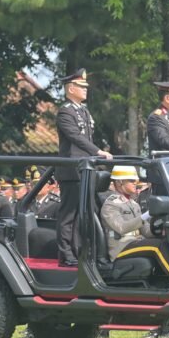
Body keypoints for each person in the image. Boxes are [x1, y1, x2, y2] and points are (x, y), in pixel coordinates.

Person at [101, 166, 169, 338]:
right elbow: (121, 227)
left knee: (162, 242)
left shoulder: (133, 203)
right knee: (156, 247)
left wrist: (161, 227)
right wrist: (146, 216)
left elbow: (146, 232)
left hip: (135, 243)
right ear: (119, 183)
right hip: (121, 248)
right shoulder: (111, 204)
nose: (136, 184)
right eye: (131, 181)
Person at [55, 68, 113, 268]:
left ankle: (83, 251)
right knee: (69, 214)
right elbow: (75, 137)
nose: (85, 90)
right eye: (81, 87)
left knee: (85, 212)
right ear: (71, 88)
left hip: (86, 169)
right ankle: (66, 253)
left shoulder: (84, 111)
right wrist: (98, 151)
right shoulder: (65, 112)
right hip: (72, 170)